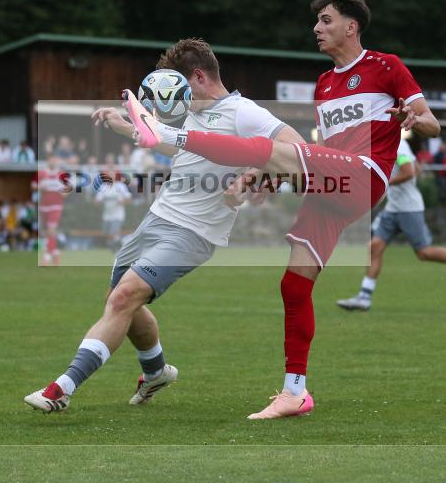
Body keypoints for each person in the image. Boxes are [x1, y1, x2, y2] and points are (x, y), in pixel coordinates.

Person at [122, 0, 441, 419]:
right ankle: (295, 393)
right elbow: (315, 153)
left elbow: (431, 123)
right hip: (329, 187)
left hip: (365, 173)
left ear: (352, 25)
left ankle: (166, 134)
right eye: (317, 21)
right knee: (293, 285)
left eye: (326, 20)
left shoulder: (386, 66)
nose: (317, 28)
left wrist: (415, 118)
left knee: (260, 147)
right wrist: (268, 175)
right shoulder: (325, 83)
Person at [24, 38, 301, 415]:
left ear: (198, 77)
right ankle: (156, 372)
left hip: (194, 233)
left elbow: (298, 150)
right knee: (121, 302)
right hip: (157, 219)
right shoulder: (195, 113)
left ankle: (62, 388)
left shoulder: (244, 112)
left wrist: (255, 175)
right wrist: (124, 126)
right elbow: (182, 150)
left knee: (123, 298)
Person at [336, 137, 446, 311]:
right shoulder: (389, 143)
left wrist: (384, 182)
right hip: (393, 207)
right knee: (374, 247)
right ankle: (364, 297)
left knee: (424, 253)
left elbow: (409, 172)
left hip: (408, 208)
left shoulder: (398, 145)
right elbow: (417, 168)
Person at [36, 155, 71, 265]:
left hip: (56, 205)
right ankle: (55, 252)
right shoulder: (41, 173)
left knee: (51, 229)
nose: (52, 162)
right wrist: (40, 188)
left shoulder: (61, 174)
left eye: (54, 160)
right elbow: (33, 186)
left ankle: (47, 256)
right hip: (44, 205)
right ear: (47, 161)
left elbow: (68, 189)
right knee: (48, 232)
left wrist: (64, 193)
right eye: (50, 160)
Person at [95, 170, 132, 248]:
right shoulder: (103, 187)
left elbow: (129, 199)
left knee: (114, 232)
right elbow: (97, 200)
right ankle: (114, 245)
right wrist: (99, 202)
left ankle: (116, 246)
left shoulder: (121, 186)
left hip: (118, 214)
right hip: (106, 214)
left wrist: (122, 202)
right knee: (106, 233)